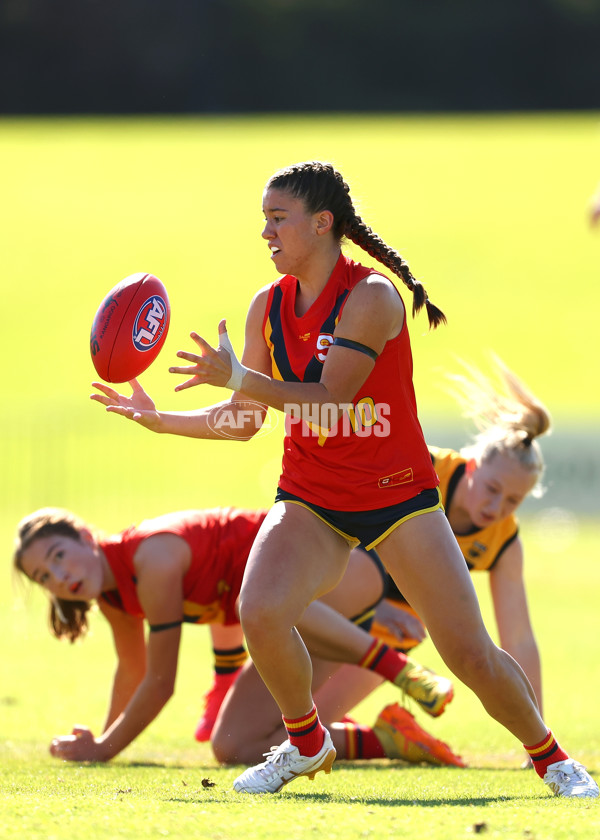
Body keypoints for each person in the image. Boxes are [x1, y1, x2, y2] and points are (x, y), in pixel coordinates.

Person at [91, 160, 597, 798]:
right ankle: (307, 742)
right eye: (264, 220)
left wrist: (240, 378)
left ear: (322, 223)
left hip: (398, 498)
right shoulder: (266, 306)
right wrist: (161, 420)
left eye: (279, 219)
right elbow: (245, 420)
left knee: (469, 654)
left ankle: (553, 759)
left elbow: (331, 395)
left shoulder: (372, 297)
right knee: (261, 610)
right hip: (312, 495)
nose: (267, 233)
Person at [13, 505, 457, 765]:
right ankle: (388, 738)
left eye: (58, 556)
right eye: (43, 575)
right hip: (302, 614)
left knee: (268, 608)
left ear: (85, 536)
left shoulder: (153, 559)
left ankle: (402, 670)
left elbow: (160, 682)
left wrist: (104, 749)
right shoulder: (111, 589)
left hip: (341, 576)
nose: (58, 575)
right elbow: (133, 669)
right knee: (235, 746)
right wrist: (100, 739)